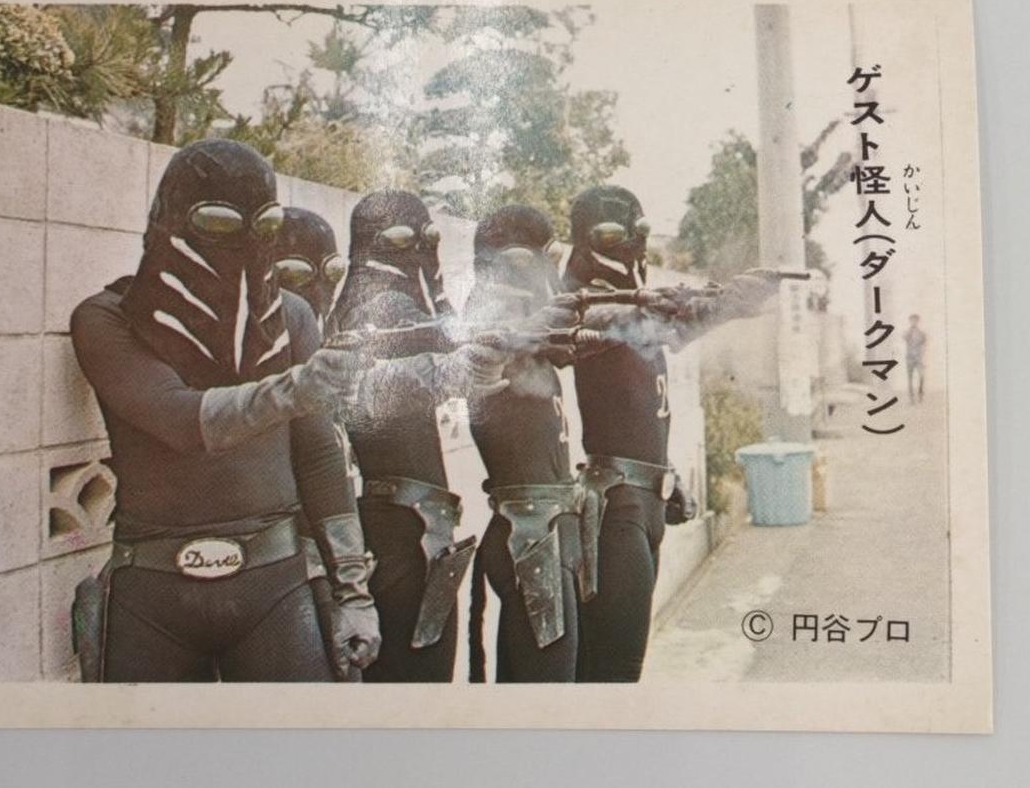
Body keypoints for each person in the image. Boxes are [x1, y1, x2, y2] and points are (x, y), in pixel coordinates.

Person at [69, 139, 378, 682]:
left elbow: (318, 456)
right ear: (170, 218)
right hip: (153, 588)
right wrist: (296, 388)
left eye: (263, 226)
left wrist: (353, 591)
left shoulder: (290, 317)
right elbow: (178, 419)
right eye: (218, 223)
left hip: (274, 584)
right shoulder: (106, 318)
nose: (242, 243)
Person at [563, 186, 775, 682]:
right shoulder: (586, 304)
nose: (630, 244)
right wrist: (723, 302)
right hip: (617, 507)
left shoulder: (629, 303)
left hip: (642, 501)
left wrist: (667, 473)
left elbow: (653, 367)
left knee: (620, 669)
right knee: (611, 675)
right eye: (614, 234)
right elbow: (634, 321)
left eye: (636, 231)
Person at [330, 190, 500, 682]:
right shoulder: (383, 301)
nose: (426, 249)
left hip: (408, 522)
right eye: (414, 239)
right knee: (418, 683)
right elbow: (412, 369)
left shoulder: (372, 298)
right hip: (404, 528)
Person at [463, 205, 589, 682]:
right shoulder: (490, 319)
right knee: (546, 704)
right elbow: (496, 343)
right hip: (530, 536)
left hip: (543, 531)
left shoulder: (530, 331)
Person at [904, 313, 927, 404]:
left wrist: (922, 355)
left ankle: (920, 393)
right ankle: (911, 397)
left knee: (921, 376)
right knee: (910, 378)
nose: (914, 322)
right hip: (910, 358)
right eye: (912, 320)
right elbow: (904, 338)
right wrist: (910, 331)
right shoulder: (907, 332)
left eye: (915, 320)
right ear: (910, 321)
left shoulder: (921, 333)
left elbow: (924, 344)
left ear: (918, 321)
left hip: (918, 358)